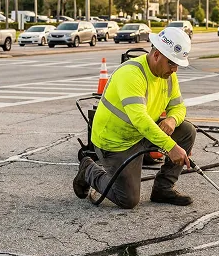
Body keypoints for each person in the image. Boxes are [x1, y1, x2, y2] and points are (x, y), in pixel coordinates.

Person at [73, 27, 196, 208]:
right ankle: (88, 170)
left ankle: (163, 188)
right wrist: (170, 147)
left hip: (141, 134)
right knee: (128, 199)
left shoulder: (168, 76)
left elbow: (178, 107)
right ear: (156, 55)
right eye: (172, 63)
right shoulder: (132, 74)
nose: (175, 69)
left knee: (186, 131)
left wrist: (172, 120)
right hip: (114, 142)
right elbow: (139, 119)